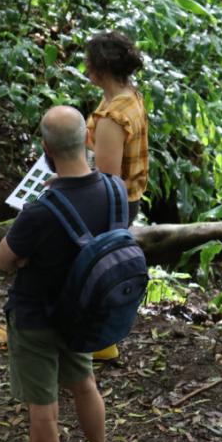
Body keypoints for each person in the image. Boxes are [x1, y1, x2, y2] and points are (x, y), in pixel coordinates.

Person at [0, 106, 119, 442]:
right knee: (84, 383)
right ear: (87, 140)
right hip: (83, 311)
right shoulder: (115, 192)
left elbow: (3, 260)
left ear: (45, 149)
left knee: (42, 407)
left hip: (36, 318)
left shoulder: (41, 211)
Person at [84, 30, 148, 361]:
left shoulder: (114, 116)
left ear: (100, 68)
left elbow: (107, 181)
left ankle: (100, 343)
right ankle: (100, 339)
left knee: (98, 270)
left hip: (114, 203)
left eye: (88, 62)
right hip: (127, 198)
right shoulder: (124, 95)